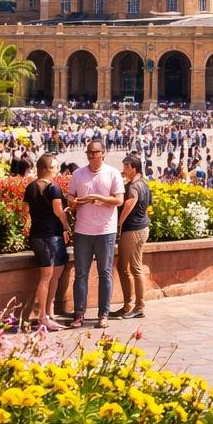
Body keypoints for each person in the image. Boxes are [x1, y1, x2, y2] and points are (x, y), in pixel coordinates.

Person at [65, 140, 124, 329]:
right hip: (83, 230)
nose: (92, 155)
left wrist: (99, 198)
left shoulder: (112, 173)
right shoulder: (78, 174)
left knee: (105, 273)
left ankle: (103, 314)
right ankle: (79, 314)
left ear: (103, 153)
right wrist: (74, 201)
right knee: (81, 274)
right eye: (89, 152)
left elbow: (119, 200)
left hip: (105, 230)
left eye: (95, 152)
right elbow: (70, 195)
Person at [23, 153, 70, 332]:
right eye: (55, 167)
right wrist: (66, 226)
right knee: (46, 277)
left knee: (53, 274)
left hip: (38, 234)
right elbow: (58, 211)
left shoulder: (30, 187)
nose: (57, 169)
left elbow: (25, 211)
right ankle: (42, 316)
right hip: (49, 236)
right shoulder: (53, 188)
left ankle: (48, 312)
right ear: (47, 168)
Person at [111, 154, 152, 320]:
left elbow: (130, 202)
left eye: (126, 166)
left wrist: (120, 223)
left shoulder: (134, 186)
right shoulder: (143, 184)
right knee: (123, 267)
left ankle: (139, 306)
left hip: (133, 229)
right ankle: (128, 305)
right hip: (139, 228)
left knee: (134, 267)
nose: (124, 169)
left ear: (134, 168)